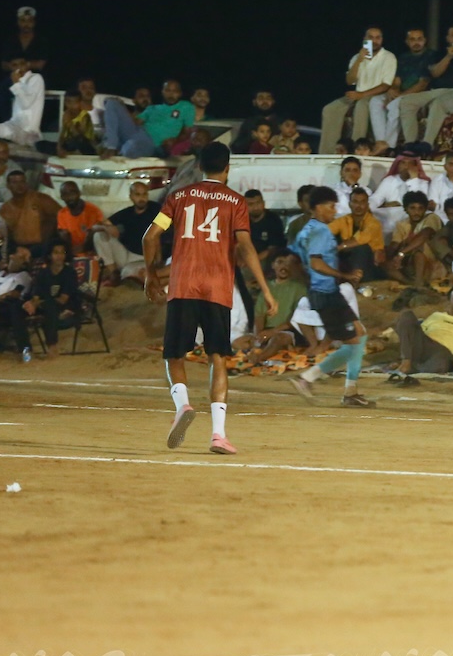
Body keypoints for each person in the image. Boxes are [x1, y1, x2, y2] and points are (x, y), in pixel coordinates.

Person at [143, 142, 278, 454]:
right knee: (218, 357)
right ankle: (218, 435)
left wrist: (151, 274)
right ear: (228, 168)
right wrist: (266, 289)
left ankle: (183, 405)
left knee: (174, 354)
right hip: (217, 288)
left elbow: (150, 236)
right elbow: (245, 246)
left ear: (200, 166)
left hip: (184, 285)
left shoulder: (178, 197)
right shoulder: (236, 202)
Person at [289, 187, 376, 408]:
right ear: (318, 207)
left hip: (322, 291)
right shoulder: (321, 231)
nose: (334, 210)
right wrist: (344, 275)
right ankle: (307, 378)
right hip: (326, 293)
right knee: (354, 342)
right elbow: (316, 263)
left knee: (359, 335)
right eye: (331, 206)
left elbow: (297, 261)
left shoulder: (307, 230)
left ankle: (350, 391)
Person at [319, 26, 397, 153]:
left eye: (377, 38)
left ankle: (356, 149)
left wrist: (362, 95)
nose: (374, 41)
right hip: (358, 93)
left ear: (382, 40)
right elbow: (350, 81)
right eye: (370, 37)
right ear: (364, 39)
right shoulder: (357, 57)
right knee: (330, 109)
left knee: (361, 106)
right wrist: (359, 60)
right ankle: (327, 152)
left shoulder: (388, 57)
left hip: (375, 94)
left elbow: (385, 85)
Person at [391, 285, 453, 381]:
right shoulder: (436, 316)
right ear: (449, 302)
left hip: (443, 354)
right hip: (423, 347)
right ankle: (406, 363)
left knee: (440, 363)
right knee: (407, 315)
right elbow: (412, 335)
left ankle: (411, 367)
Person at [381, 27, 441, 148]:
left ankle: (388, 145)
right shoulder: (403, 57)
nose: (416, 42)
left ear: (425, 40)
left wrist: (400, 96)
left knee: (394, 105)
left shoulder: (431, 56)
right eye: (412, 39)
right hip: (403, 93)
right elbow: (397, 80)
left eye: (419, 39)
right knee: (376, 102)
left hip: (422, 94)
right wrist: (393, 90)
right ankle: (379, 140)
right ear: (407, 42)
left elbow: (423, 84)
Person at [0, 57, 45, 145]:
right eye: (15, 65)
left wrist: (16, 84)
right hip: (14, 126)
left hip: (27, 132)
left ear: (27, 64)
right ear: (10, 67)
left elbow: (26, 104)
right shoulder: (17, 81)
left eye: (22, 64)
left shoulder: (36, 78)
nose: (19, 68)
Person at [96, 181, 159, 284]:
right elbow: (97, 226)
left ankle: (124, 275)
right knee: (99, 235)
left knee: (127, 273)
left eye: (144, 194)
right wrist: (107, 228)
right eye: (137, 194)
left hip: (145, 259)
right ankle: (113, 273)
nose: (142, 198)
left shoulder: (156, 209)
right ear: (131, 197)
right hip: (126, 254)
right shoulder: (127, 212)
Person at [28, 241, 81, 359]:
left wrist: (40, 303)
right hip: (46, 307)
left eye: (62, 253)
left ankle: (52, 346)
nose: (59, 256)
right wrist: (32, 304)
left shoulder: (70, 272)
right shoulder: (43, 273)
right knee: (18, 307)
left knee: (49, 306)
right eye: (56, 253)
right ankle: (25, 350)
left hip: (65, 306)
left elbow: (63, 299)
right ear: (49, 255)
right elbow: (36, 297)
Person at [0, 171, 60, 259]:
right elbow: (4, 235)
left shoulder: (41, 199)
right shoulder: (5, 209)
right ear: (8, 186)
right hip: (18, 249)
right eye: (15, 182)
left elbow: (61, 215)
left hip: (43, 247)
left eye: (22, 181)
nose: (19, 185)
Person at [53, 181, 107, 256]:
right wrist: (69, 251)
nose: (69, 197)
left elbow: (96, 234)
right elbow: (64, 236)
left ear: (79, 193)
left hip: (93, 251)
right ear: (62, 197)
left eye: (72, 193)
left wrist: (83, 247)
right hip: (73, 252)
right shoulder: (62, 213)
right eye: (65, 194)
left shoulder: (93, 211)